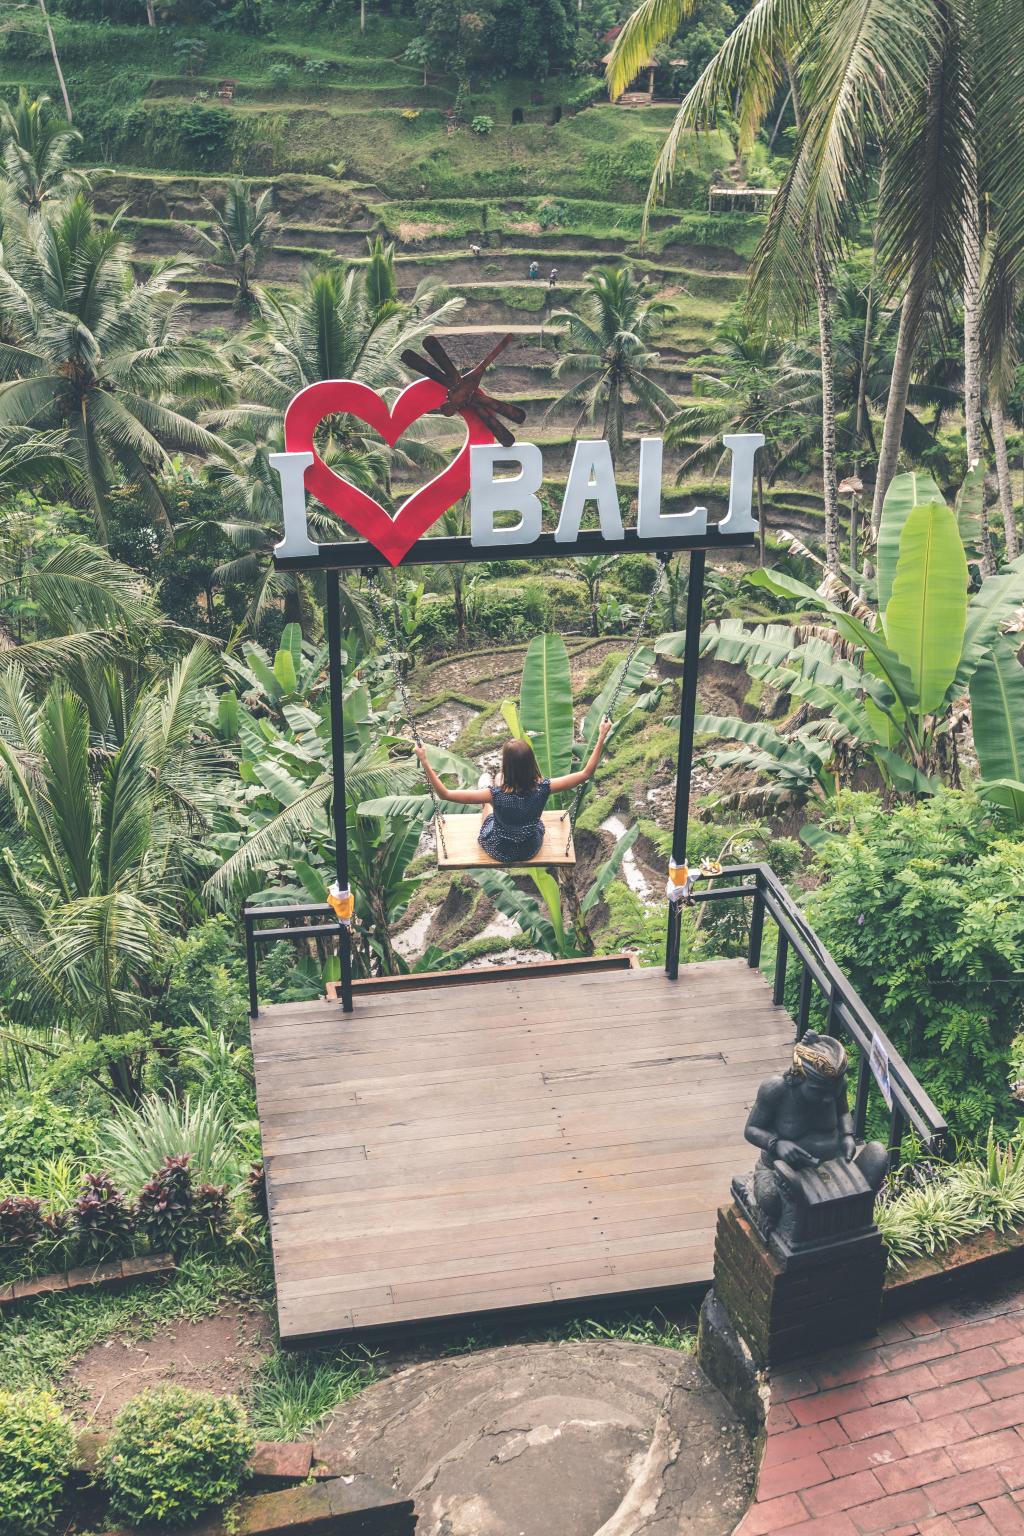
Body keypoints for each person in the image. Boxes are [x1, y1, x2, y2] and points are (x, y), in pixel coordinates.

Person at [415, 719, 612, 863]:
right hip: (529, 846)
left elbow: (445, 794)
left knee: (487, 799)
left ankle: (487, 782)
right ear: (531, 763)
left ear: (507, 765)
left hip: (499, 847)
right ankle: (493, 782)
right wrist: (602, 735)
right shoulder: (544, 788)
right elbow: (586, 773)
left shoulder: (494, 796)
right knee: (495, 790)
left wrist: (425, 761)